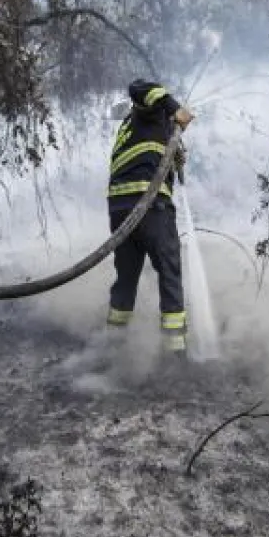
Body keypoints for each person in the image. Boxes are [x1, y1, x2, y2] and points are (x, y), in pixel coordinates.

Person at [105, 79, 195, 356]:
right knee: (170, 270)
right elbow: (140, 86)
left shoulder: (134, 128)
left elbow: (151, 154)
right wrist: (174, 107)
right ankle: (175, 352)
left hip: (120, 208)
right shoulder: (152, 110)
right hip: (149, 203)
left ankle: (113, 345)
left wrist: (175, 155)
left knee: (126, 276)